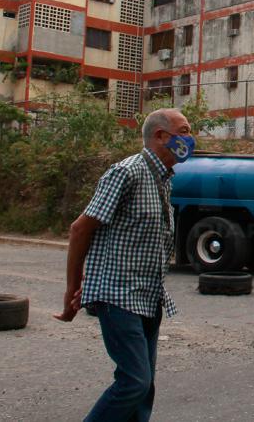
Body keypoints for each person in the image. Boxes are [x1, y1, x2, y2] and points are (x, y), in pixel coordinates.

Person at [54, 108, 193, 422]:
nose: (190, 138)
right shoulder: (127, 172)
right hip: (118, 296)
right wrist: (73, 288)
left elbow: (121, 238)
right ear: (161, 136)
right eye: (184, 130)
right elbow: (81, 229)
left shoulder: (164, 180)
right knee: (134, 382)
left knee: (144, 390)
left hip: (148, 296)